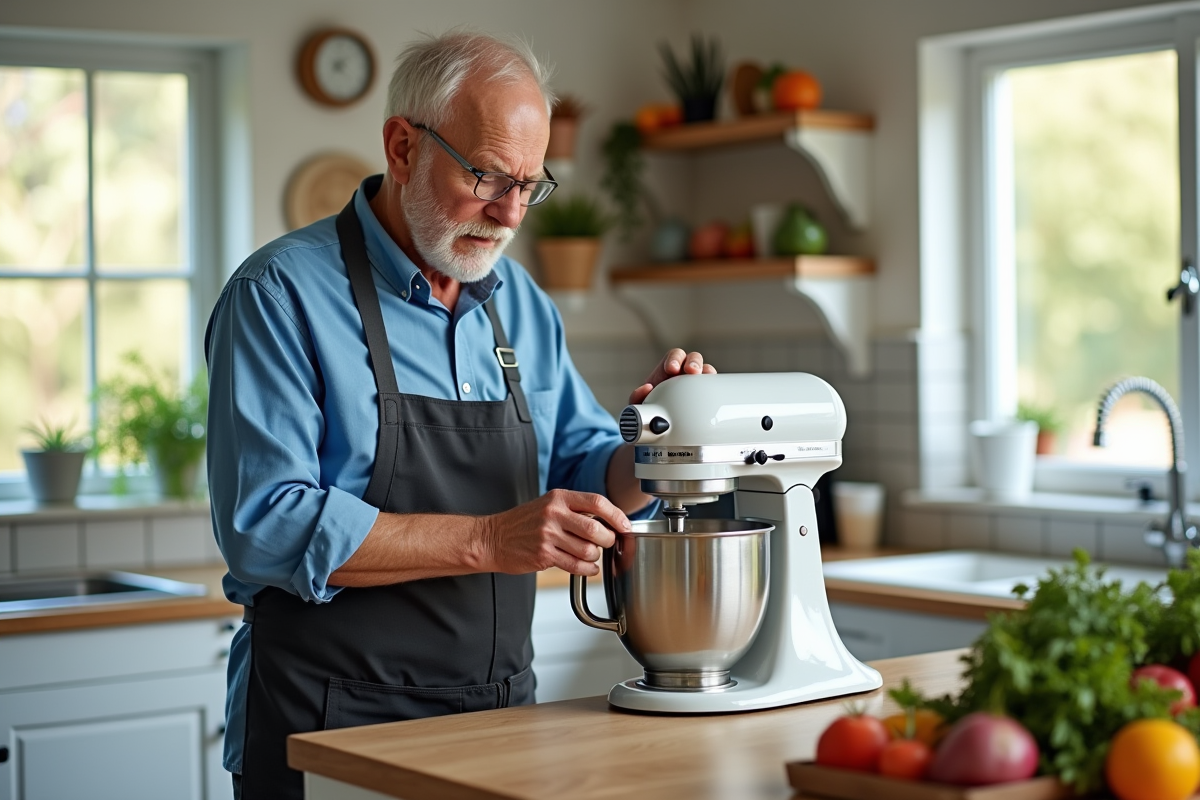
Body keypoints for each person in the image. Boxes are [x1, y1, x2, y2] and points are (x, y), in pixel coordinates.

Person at [205, 30, 714, 800]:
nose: (509, 213)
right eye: (486, 176)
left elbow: (583, 470)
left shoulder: (522, 306)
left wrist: (661, 439)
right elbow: (266, 524)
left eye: (529, 185)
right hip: (328, 728)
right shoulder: (279, 296)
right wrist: (489, 539)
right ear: (402, 147)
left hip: (499, 722)